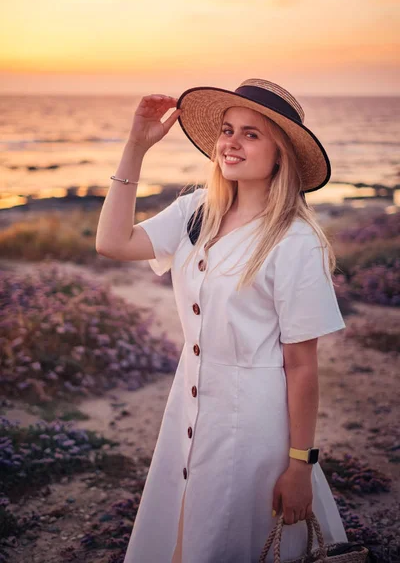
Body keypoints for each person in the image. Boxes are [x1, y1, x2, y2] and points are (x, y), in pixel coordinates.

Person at [96, 78, 348, 563]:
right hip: (187, 415)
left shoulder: (296, 242)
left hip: (253, 429)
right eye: (227, 130)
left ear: (281, 155)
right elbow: (112, 243)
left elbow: (302, 367)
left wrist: (300, 467)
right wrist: (135, 148)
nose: (231, 142)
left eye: (251, 134)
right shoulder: (197, 210)